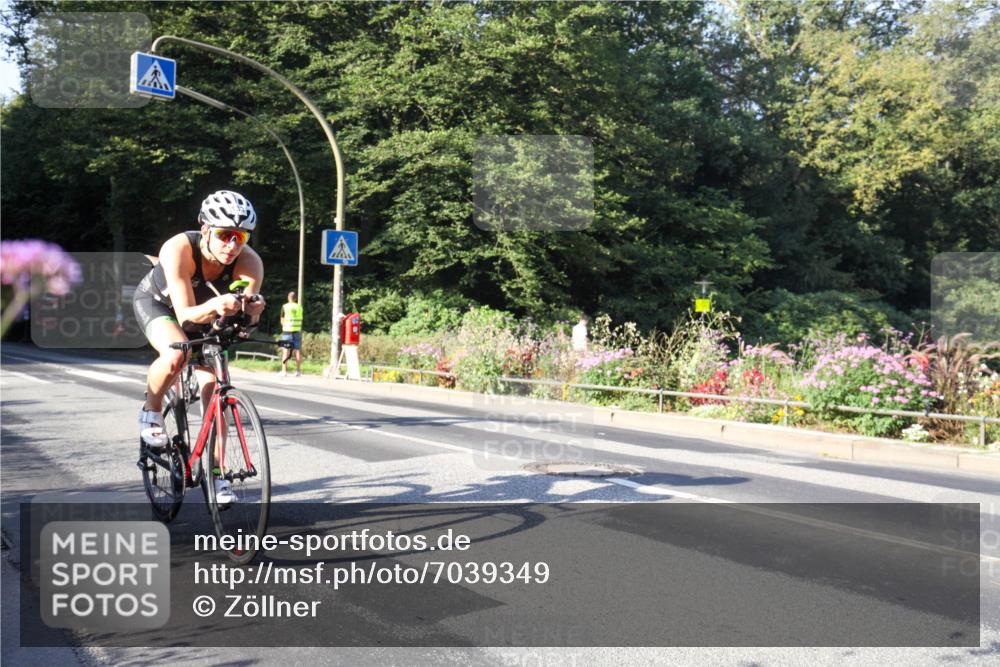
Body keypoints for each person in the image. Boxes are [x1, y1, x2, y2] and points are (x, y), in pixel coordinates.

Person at [132, 190, 265, 504]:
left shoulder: (250, 263)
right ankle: (151, 411)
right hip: (162, 306)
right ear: (205, 229)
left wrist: (252, 312)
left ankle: (217, 474)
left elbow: (243, 324)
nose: (233, 245)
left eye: (241, 236)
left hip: (210, 317)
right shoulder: (178, 248)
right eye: (224, 235)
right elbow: (185, 316)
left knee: (217, 389)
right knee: (178, 352)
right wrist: (219, 303)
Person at [279, 291, 303, 377]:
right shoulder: (299, 307)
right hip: (297, 330)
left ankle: (284, 371)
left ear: (288, 298)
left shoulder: (285, 306)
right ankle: (298, 371)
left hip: (287, 330)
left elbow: (282, 320)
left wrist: (284, 325)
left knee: (286, 350)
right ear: (296, 298)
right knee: (297, 351)